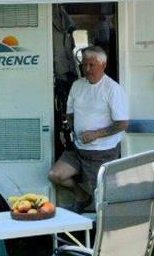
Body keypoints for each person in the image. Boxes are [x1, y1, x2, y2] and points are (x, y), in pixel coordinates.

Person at [47, 46, 129, 211]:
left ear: (103, 65)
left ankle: (101, 229)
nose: (87, 69)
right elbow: (70, 114)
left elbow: (122, 123)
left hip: (101, 152)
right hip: (78, 148)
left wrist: (96, 134)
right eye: (84, 65)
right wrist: (67, 130)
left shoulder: (112, 89)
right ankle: (81, 195)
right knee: (55, 175)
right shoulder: (77, 85)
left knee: (102, 196)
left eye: (92, 65)